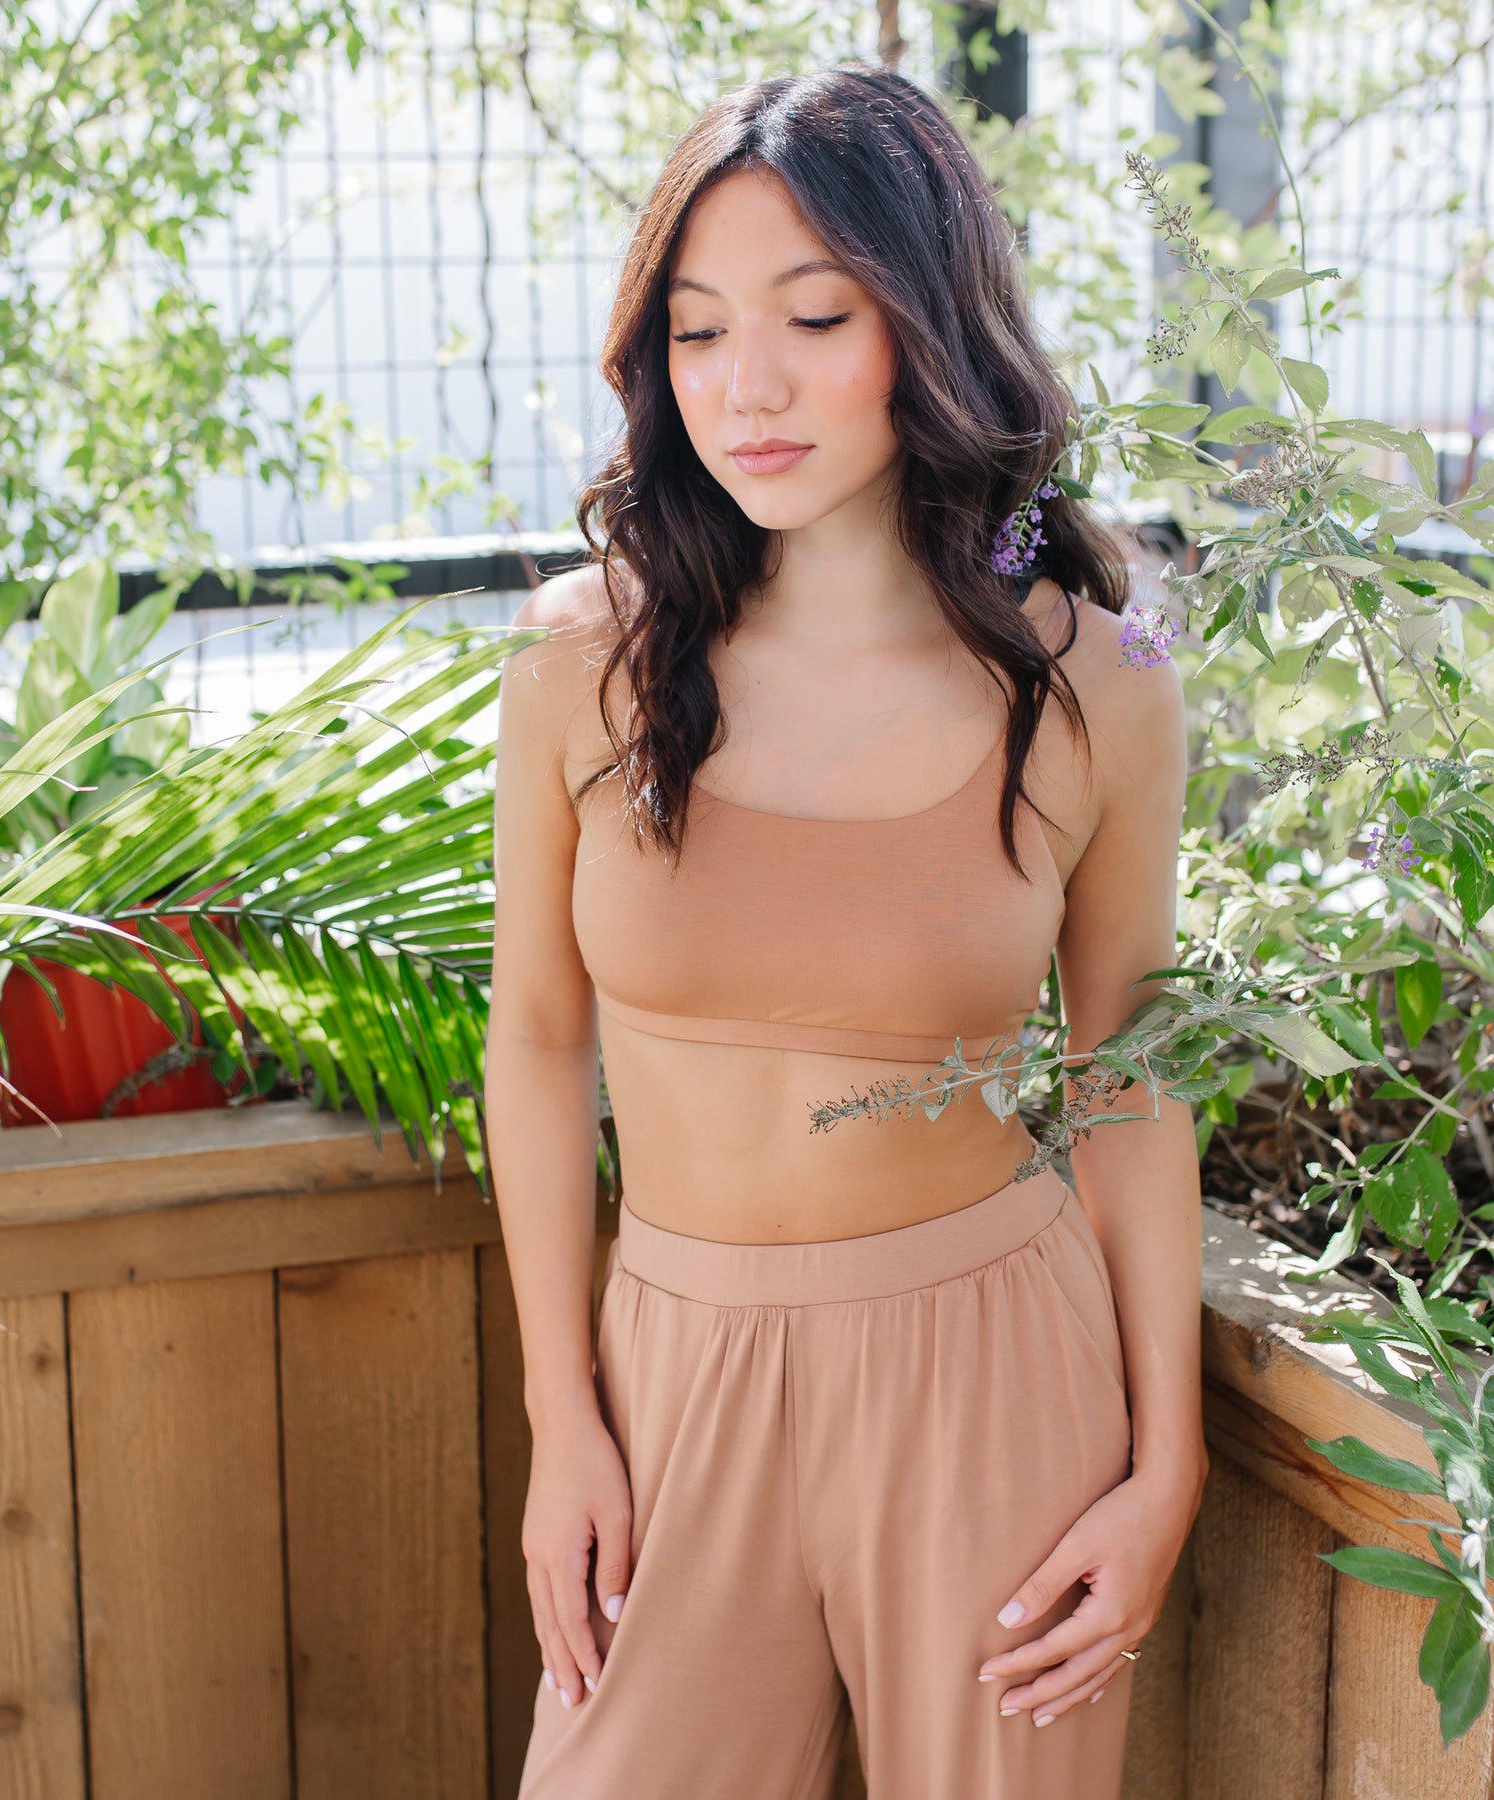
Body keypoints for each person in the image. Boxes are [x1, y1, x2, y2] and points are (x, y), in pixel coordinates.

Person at [486, 63, 1205, 1800]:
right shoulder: (580, 656)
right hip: (670, 1373)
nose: (750, 387)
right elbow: (535, 1039)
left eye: (815, 316)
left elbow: (1128, 1069)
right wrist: (561, 1419)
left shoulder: (1093, 680)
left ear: (927, 323)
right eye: (698, 331)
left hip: (992, 1379)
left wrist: (1163, 1463)